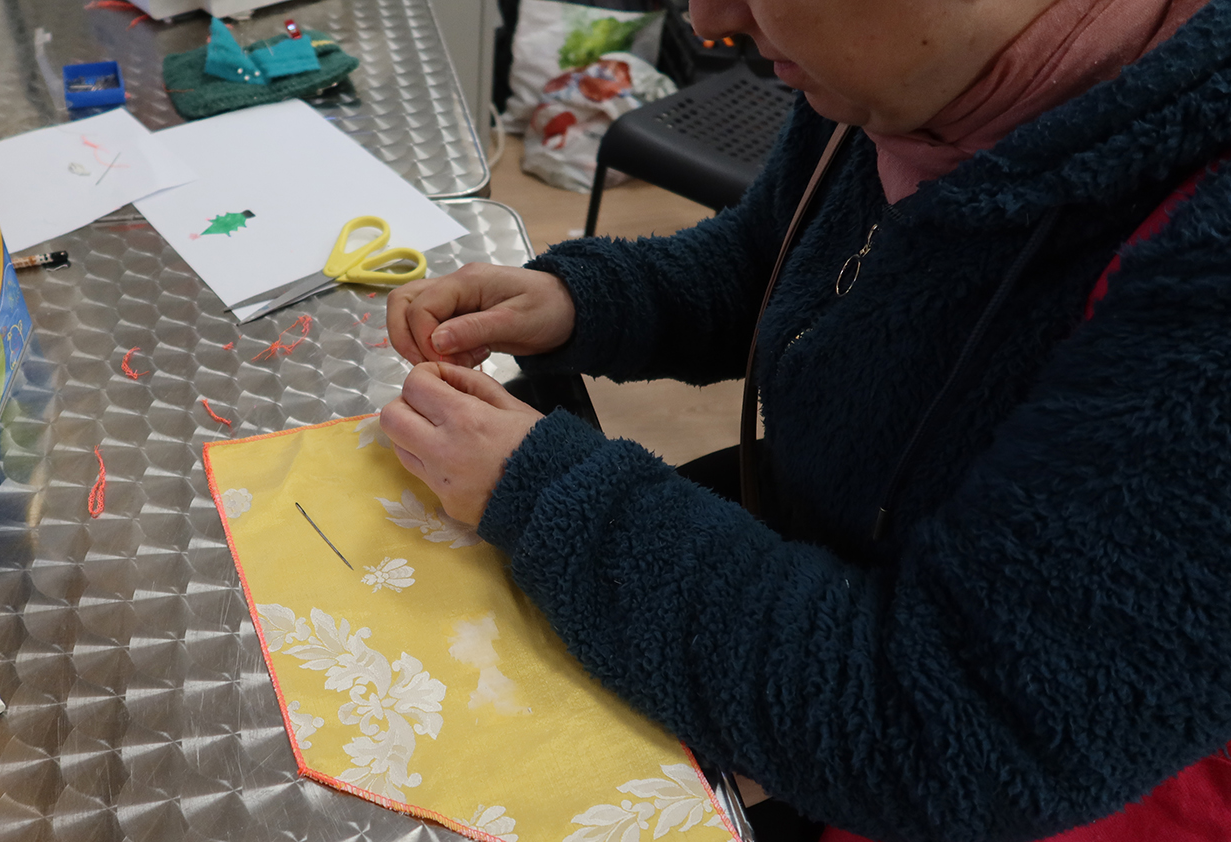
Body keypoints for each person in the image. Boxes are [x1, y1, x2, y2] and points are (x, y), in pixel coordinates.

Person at [378, 0, 1231, 839]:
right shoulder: (897, 81)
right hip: (819, 556)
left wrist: (544, 489)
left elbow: (950, 733)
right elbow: (781, 258)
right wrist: (584, 300)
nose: (711, 21)